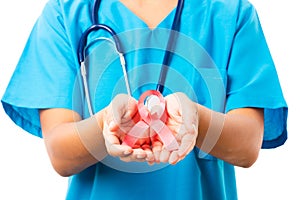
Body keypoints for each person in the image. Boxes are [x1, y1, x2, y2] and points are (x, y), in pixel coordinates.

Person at [1, 0, 288, 199]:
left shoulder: (231, 13)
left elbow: (247, 146)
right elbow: (61, 155)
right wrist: (106, 125)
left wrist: (196, 118)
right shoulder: (66, 13)